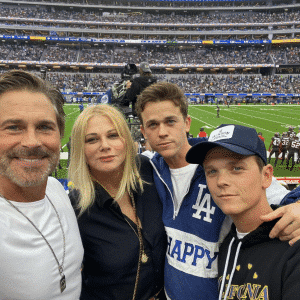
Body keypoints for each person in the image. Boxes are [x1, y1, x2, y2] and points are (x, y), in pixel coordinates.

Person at [136, 81, 300, 300]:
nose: (162, 132)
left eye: (170, 121)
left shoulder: (216, 164)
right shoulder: (150, 168)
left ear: (187, 123)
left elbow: (275, 193)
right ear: (143, 131)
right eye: (153, 125)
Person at [186, 124, 300, 299]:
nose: (221, 181)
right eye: (212, 171)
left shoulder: (293, 247)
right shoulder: (226, 245)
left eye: (237, 168)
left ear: (266, 176)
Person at [68, 104, 166, 300]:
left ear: (126, 141)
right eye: (92, 139)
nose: (105, 145)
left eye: (113, 135)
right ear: (81, 149)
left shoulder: (147, 172)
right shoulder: (74, 209)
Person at [0, 70, 83, 299]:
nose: (32, 142)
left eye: (45, 127)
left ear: (60, 135)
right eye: (13, 127)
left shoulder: (56, 189)